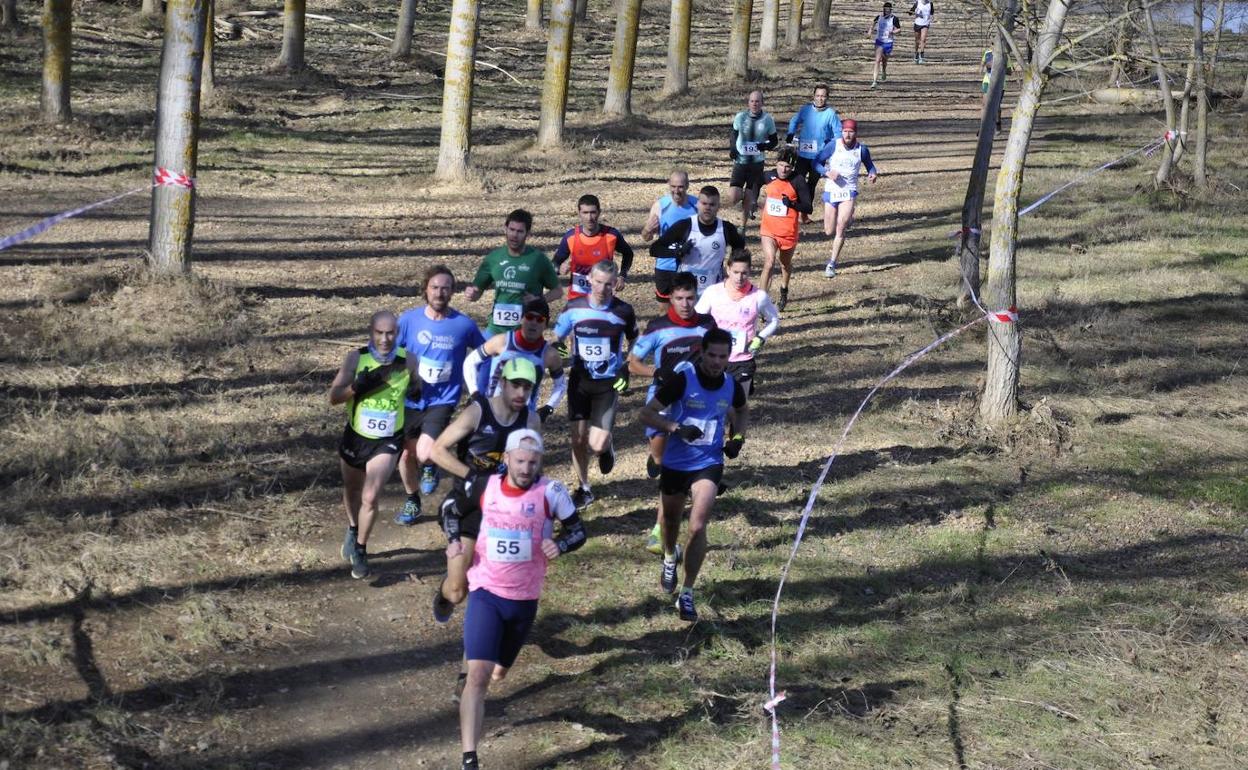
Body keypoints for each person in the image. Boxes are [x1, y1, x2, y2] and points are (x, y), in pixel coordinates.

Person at [453, 428, 586, 770]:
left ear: (540, 461)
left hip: (524, 598)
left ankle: (486, 662)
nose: (526, 468)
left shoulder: (550, 491)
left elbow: (578, 531)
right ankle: (470, 757)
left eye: (533, 461)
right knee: (478, 677)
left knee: (498, 673)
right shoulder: (486, 485)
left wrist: (562, 545)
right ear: (508, 458)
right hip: (485, 591)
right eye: (521, 460)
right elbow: (451, 509)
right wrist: (454, 539)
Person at [639, 328, 748, 622]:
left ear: (729, 357)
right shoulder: (682, 381)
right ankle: (669, 557)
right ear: (701, 352)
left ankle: (687, 594)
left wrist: (737, 439)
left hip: (708, 463)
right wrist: (676, 429)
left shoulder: (731, 385)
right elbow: (647, 413)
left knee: (697, 526)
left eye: (722, 357)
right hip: (675, 462)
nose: (716, 362)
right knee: (672, 521)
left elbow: (741, 410)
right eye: (711, 355)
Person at [430, 358, 542, 627]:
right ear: (502, 383)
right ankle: (444, 595)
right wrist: (472, 477)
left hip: (505, 514)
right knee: (457, 591)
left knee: (493, 588)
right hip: (468, 507)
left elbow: (536, 466)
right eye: (516, 386)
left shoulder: (531, 420)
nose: (521, 394)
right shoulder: (478, 412)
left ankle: (480, 649)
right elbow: (436, 450)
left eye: (527, 388)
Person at [627, 272, 718, 553]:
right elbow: (632, 363)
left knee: (670, 468)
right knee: (659, 458)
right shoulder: (657, 327)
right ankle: (655, 458)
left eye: (690, 297)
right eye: (679, 298)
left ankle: (658, 529)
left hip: (691, 409)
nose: (686, 304)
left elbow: (717, 359)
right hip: (660, 404)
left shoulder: (706, 325)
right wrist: (657, 372)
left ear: (696, 296)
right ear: (670, 299)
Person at [394, 266, 485, 526]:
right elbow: (392, 353)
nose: (440, 292)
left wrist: (481, 388)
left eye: (445, 288)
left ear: (452, 292)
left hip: (442, 399)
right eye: (434, 287)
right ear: (425, 289)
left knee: (424, 452)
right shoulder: (408, 321)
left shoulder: (463, 325)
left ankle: (431, 463)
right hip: (410, 398)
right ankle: (412, 500)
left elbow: (484, 353)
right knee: (405, 455)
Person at [328, 311, 415, 579]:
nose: (385, 339)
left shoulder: (408, 360)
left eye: (390, 333)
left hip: (388, 440)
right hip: (356, 436)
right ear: (371, 333)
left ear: (397, 334)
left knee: (370, 495)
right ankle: (353, 528)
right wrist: (356, 387)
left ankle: (362, 549)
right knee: (353, 489)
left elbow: (418, 387)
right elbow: (333, 397)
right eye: (380, 333)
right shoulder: (356, 358)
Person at [552, 260, 639, 510]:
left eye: (608, 284)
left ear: (616, 284)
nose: (602, 288)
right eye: (598, 282)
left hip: (607, 384)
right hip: (580, 381)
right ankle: (584, 488)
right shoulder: (573, 307)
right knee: (578, 438)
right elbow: (557, 336)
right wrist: (556, 347)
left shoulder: (623, 311)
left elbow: (636, 341)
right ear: (589, 279)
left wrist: (626, 366)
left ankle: (606, 447)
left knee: (596, 444)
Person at [695, 250, 780, 402]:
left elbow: (773, 320)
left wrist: (761, 337)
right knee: (713, 403)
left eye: (744, 273)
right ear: (728, 269)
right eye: (735, 272)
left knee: (738, 406)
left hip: (743, 360)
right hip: (715, 358)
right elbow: (696, 320)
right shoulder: (713, 293)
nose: (739, 277)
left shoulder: (758, 296)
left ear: (750, 271)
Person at [462, 296, 566, 418]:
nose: (534, 323)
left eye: (540, 319)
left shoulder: (550, 354)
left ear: (546, 325)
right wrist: (475, 394)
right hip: (492, 414)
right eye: (529, 317)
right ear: (521, 319)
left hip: (523, 419)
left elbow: (561, 384)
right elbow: (470, 362)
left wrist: (548, 408)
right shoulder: (501, 342)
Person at [465, 209, 562, 335]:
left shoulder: (538, 259)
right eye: (511, 229)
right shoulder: (493, 258)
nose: (514, 235)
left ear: (528, 233)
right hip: (495, 329)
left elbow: (558, 291)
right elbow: (477, 291)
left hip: (525, 332)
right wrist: (472, 294)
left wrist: (539, 300)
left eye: (520, 231)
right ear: (505, 229)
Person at [648, 185, 746, 298]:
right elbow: (654, 249)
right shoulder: (685, 226)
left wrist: (731, 270)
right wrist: (678, 252)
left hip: (714, 291)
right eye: (704, 204)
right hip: (686, 293)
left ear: (718, 207)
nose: (707, 208)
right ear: (698, 204)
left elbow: (739, 248)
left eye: (712, 204)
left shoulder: (726, 228)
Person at [814, 119, 878, 278]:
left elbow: (869, 165)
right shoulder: (833, 145)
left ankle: (832, 264)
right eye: (845, 131)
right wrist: (827, 172)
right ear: (841, 132)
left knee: (841, 226)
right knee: (829, 230)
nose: (847, 134)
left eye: (851, 131)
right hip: (832, 190)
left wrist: (873, 173)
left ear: (856, 133)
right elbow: (816, 162)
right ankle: (848, 215)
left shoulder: (862, 149)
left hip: (848, 191)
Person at [757, 148, 813, 310]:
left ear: (793, 167)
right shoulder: (768, 176)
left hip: (788, 232)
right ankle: (761, 303)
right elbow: (754, 183)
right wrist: (753, 200)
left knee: (784, 264)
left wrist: (792, 204)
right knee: (769, 262)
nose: (783, 170)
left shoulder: (798, 181)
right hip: (768, 229)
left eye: (788, 167)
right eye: (781, 165)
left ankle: (783, 289)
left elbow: (808, 207)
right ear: (776, 164)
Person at [553, 194, 634, 300]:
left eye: (593, 212)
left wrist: (622, 276)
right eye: (585, 213)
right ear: (579, 213)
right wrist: (559, 269)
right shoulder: (571, 237)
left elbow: (628, 254)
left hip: (603, 298)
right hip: (577, 299)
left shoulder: (611, 235)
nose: (589, 218)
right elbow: (553, 265)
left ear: (599, 212)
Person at [785, 84, 842, 221]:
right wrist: (790, 133)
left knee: (811, 184)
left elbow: (838, 132)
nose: (820, 99)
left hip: (819, 156)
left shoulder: (831, 114)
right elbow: (795, 120)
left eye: (823, 96)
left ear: (827, 97)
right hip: (803, 154)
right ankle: (792, 212)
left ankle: (804, 214)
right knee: (797, 182)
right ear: (813, 96)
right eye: (818, 96)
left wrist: (836, 146)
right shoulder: (805, 110)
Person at [640, 171, 698, 303]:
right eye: (673, 186)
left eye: (681, 187)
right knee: (664, 308)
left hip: (690, 264)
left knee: (689, 306)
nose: (677, 191)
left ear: (688, 185)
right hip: (665, 264)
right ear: (669, 185)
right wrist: (647, 229)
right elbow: (647, 237)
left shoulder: (697, 206)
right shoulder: (660, 206)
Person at [726, 90, 778, 228]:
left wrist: (763, 146)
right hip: (740, 162)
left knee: (748, 198)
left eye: (757, 101)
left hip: (756, 164)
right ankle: (748, 199)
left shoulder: (768, 120)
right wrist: (732, 149)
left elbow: (774, 141)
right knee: (733, 197)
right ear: (748, 103)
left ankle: (742, 227)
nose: (754, 104)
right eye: (752, 101)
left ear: (762, 103)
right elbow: (733, 134)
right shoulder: (740, 117)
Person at [869, 2, 902, 89]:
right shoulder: (879, 17)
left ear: (890, 10)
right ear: (883, 9)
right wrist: (869, 32)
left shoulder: (894, 18)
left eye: (888, 9)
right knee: (877, 60)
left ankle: (883, 70)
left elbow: (899, 30)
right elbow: (873, 24)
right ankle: (874, 81)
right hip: (879, 41)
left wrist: (893, 32)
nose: (886, 10)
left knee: (884, 60)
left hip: (888, 42)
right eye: (885, 9)